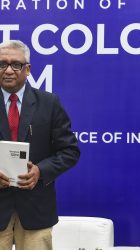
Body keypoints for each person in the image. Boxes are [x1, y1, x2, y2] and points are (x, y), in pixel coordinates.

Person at [0, 40, 80, 250]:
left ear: (28, 70)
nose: (8, 70)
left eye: (15, 65)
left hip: (36, 208)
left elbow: (70, 150)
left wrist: (40, 171)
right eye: (2, 64)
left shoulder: (49, 103)